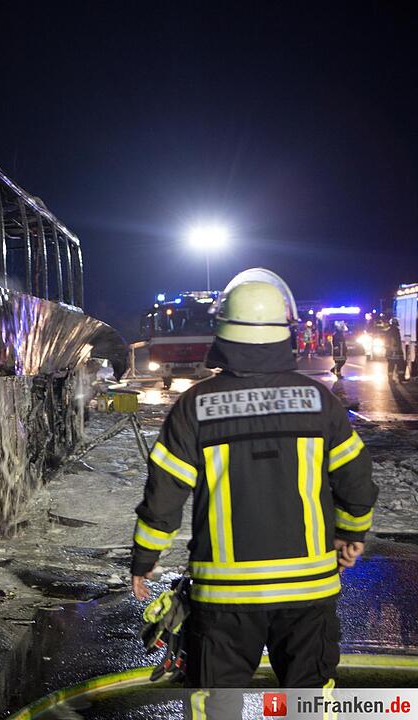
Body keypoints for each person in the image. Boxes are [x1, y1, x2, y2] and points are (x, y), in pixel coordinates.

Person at [129, 268, 377, 720]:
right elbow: (357, 485)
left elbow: (164, 494)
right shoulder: (319, 401)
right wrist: (351, 536)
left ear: (222, 331)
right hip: (309, 590)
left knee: (216, 705)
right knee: (308, 702)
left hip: (225, 596)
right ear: (286, 333)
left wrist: (144, 559)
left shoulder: (194, 407)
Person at [386, 317, 405, 382]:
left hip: (390, 352)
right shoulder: (396, 331)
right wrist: (398, 350)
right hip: (395, 351)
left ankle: (390, 379)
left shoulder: (389, 330)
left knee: (391, 365)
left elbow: (387, 342)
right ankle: (401, 378)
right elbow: (395, 341)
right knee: (400, 365)